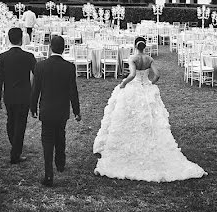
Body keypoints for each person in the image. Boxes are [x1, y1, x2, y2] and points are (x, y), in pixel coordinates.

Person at [93, 36, 205, 181]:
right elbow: (157, 74)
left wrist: (123, 84)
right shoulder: (149, 59)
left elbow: (132, 75)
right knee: (150, 116)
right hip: (146, 87)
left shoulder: (133, 58)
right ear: (144, 47)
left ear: (135, 46)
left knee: (130, 115)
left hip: (134, 88)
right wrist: (150, 83)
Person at [30, 35, 80, 187]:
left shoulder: (40, 66)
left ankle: (49, 174)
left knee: (47, 141)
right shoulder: (69, 67)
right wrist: (76, 111)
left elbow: (35, 90)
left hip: (46, 109)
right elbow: (73, 91)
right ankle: (60, 162)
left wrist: (33, 107)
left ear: (50, 48)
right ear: (64, 49)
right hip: (62, 109)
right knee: (60, 134)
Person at [0, 27, 37, 164]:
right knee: (20, 124)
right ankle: (15, 152)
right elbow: (37, 74)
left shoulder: (3, 57)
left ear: (9, 38)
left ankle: (15, 146)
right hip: (24, 94)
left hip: (9, 95)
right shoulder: (28, 57)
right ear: (22, 39)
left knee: (11, 121)